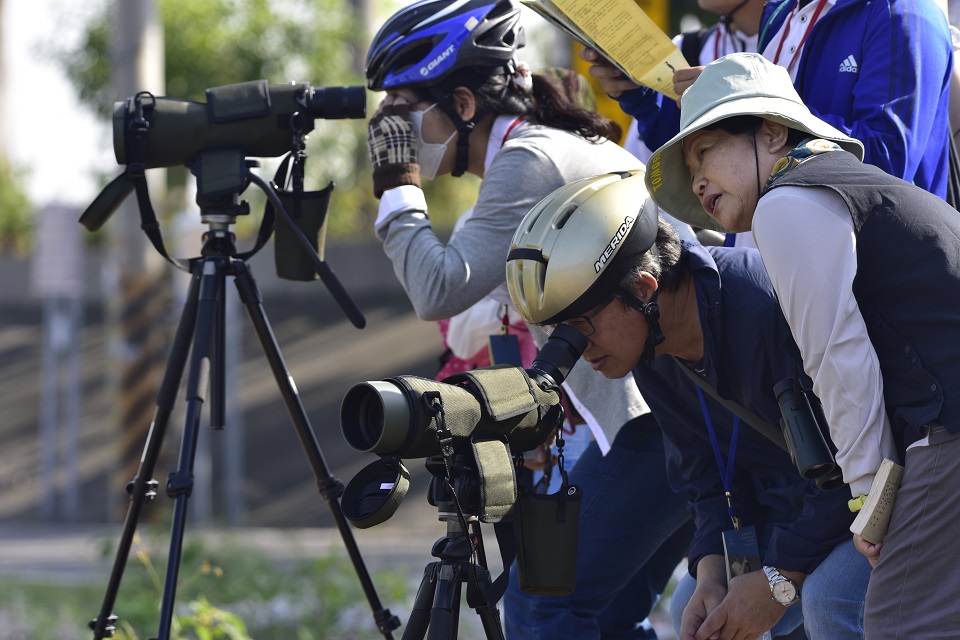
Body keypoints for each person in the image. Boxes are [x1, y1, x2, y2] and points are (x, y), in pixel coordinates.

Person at [364, 1, 693, 637]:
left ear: (464, 104)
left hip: (664, 412)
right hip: (670, 406)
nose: (388, 128)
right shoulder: (541, 148)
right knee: (604, 616)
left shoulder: (530, 160)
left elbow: (437, 289)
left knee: (544, 603)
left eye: (401, 110)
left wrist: (398, 183)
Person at [645, 51, 960, 638]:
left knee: (897, 623)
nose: (698, 180)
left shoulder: (788, 203)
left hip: (951, 430)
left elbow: (839, 359)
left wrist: (869, 504)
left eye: (705, 151)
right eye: (690, 169)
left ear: (771, 133)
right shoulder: (836, 185)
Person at [504, 169, 870, 640]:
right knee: (694, 603)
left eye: (580, 325)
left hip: (875, 495)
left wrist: (779, 580)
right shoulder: (651, 346)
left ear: (643, 288)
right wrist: (714, 572)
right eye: (559, 333)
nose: (578, 351)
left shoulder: (765, 307)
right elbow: (705, 478)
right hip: (796, 507)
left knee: (829, 598)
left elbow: (856, 461)